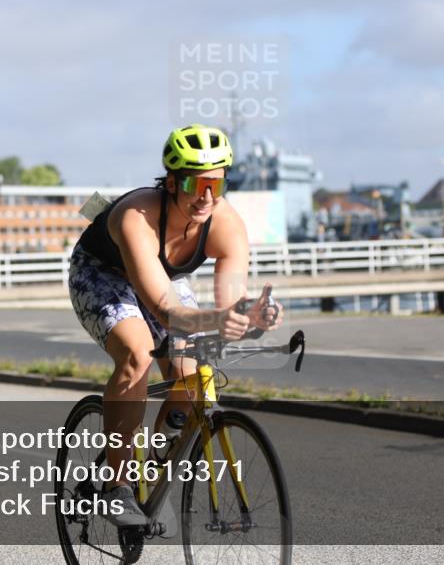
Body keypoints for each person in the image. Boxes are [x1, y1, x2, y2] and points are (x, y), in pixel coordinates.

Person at [68, 123, 283, 530]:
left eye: (216, 185)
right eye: (195, 184)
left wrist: (252, 315)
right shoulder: (137, 217)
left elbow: (229, 304)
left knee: (191, 375)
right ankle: (117, 484)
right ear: (171, 182)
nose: (206, 197)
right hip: (102, 274)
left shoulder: (226, 225)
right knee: (137, 352)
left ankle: (151, 477)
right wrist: (219, 319)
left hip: (163, 278)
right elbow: (167, 311)